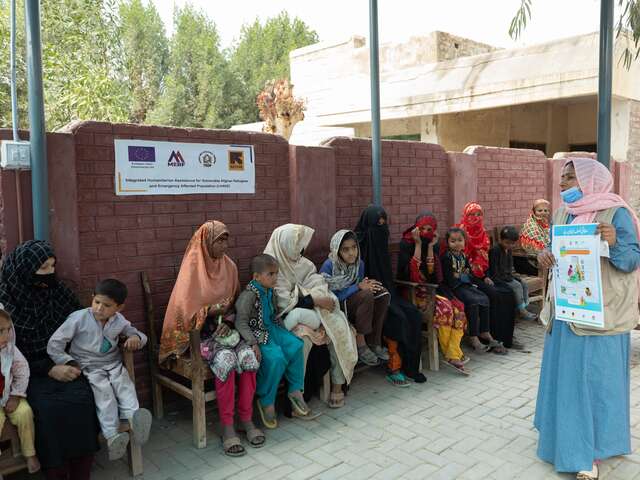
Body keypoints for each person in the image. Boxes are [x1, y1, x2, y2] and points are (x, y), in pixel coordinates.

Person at [535, 158, 640, 480]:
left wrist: (615, 241)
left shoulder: (615, 213)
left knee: (594, 382)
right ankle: (562, 442)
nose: (562, 183)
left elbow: (632, 259)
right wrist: (545, 256)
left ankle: (589, 453)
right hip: (568, 312)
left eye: (570, 178)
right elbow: (555, 254)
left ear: (590, 181)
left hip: (601, 314)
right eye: (563, 177)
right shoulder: (562, 213)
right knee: (567, 380)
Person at [160, 221, 263, 457]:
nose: (225, 245)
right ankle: (227, 426)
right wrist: (210, 314)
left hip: (225, 330)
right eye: (220, 240)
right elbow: (184, 314)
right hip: (198, 336)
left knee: (249, 359)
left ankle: (246, 419)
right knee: (226, 361)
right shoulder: (192, 270)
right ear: (206, 242)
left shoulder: (230, 267)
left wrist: (227, 321)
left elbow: (236, 305)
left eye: (227, 239)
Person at [0, 240, 99, 480]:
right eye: (43, 267)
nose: (50, 273)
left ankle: (81, 471)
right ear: (24, 270)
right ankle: (56, 471)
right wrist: (48, 369)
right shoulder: (7, 304)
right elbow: (12, 354)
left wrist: (69, 362)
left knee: (82, 399)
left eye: (53, 266)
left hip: (64, 362)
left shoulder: (58, 292)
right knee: (47, 408)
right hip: (27, 375)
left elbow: (81, 326)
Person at [47, 279, 152, 461]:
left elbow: (140, 335)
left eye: (107, 305)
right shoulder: (79, 318)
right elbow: (55, 343)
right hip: (88, 366)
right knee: (104, 394)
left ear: (119, 307)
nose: (99, 309)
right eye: (97, 302)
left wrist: (135, 337)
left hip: (113, 363)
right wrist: (68, 361)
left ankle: (136, 422)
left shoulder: (119, 321)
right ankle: (112, 436)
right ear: (92, 298)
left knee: (124, 385)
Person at [264, 224, 358, 409]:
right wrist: (312, 298)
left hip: (311, 313)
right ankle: (296, 394)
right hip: (286, 320)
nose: (300, 248)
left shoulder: (303, 263)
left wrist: (311, 296)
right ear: (285, 244)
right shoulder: (271, 267)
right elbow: (282, 302)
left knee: (338, 326)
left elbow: (317, 282)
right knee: (303, 340)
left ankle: (338, 385)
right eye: (295, 243)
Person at [235, 254, 311, 429]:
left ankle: (295, 389)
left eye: (276, 273)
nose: (275, 277)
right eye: (271, 274)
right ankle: (266, 400)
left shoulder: (270, 292)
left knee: (296, 345)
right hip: (257, 334)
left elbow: (274, 315)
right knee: (275, 358)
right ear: (256, 276)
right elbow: (241, 321)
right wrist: (253, 343)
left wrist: (285, 333)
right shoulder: (248, 296)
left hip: (273, 330)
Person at [354, 206, 426, 386]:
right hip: (368, 300)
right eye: (377, 226)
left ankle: (411, 367)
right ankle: (394, 368)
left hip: (389, 292)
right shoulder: (356, 249)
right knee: (397, 318)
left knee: (414, 315)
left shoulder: (380, 245)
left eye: (383, 226)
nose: (381, 231)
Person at [397, 213, 469, 375]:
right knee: (446, 309)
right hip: (411, 292)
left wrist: (429, 247)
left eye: (430, 229)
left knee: (459, 310)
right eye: (422, 229)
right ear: (416, 228)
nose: (425, 232)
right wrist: (417, 244)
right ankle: (451, 355)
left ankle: (453, 353)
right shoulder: (406, 244)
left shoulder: (433, 244)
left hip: (430, 290)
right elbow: (410, 275)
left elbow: (433, 276)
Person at [320, 229, 390, 366]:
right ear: (337, 251)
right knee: (366, 294)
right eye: (346, 250)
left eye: (354, 248)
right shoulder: (329, 266)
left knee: (382, 293)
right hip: (336, 306)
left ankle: (374, 342)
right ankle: (361, 343)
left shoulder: (359, 264)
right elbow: (331, 296)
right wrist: (358, 287)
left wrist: (366, 285)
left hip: (356, 303)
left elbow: (360, 286)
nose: (352, 253)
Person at [458, 202, 512, 351]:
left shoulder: (482, 233)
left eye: (478, 214)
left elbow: (485, 259)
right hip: (467, 277)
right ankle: (488, 334)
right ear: (465, 216)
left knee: (508, 292)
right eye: (472, 214)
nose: (475, 218)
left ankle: (506, 337)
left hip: (482, 274)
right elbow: (462, 262)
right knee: (493, 294)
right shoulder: (460, 233)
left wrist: (486, 275)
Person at [441, 228, 503, 355]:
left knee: (484, 297)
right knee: (473, 301)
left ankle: (484, 331)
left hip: (465, 285)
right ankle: (473, 337)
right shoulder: (446, 257)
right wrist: (462, 276)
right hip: (454, 287)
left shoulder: (463, 256)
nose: (457, 243)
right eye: (453, 241)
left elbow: (469, 274)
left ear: (465, 242)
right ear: (447, 242)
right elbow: (450, 278)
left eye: (460, 240)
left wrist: (461, 275)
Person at [0, 307, 40, 473]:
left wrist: (16, 395)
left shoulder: (10, 349)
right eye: (1, 331)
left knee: (25, 413)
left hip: (9, 394)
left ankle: (29, 453)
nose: (7, 335)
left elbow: (22, 370)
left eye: (9, 329)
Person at [488, 226, 537, 322]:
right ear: (501, 240)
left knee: (524, 283)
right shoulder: (495, 250)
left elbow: (509, 267)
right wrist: (509, 278)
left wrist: (513, 276)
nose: (509, 245)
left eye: (512, 243)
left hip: (507, 276)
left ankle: (523, 308)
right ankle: (522, 311)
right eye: (507, 243)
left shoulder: (509, 250)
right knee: (517, 286)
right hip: (498, 278)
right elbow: (494, 270)